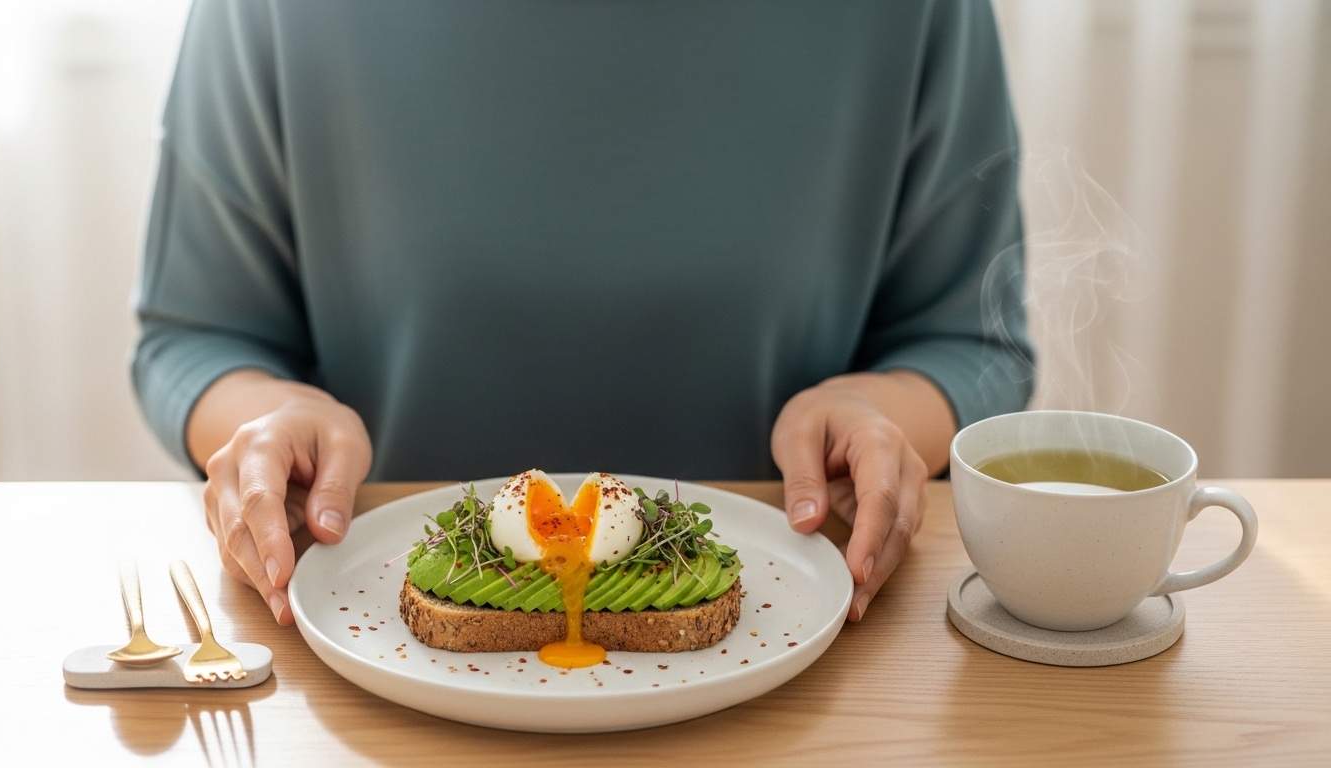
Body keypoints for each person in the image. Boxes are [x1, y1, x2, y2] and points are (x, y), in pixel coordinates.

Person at [133, 0, 1033, 627]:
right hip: (358, 642)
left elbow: (971, 341)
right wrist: (272, 423)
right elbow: (199, 333)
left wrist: (882, 419)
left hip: (818, 646)